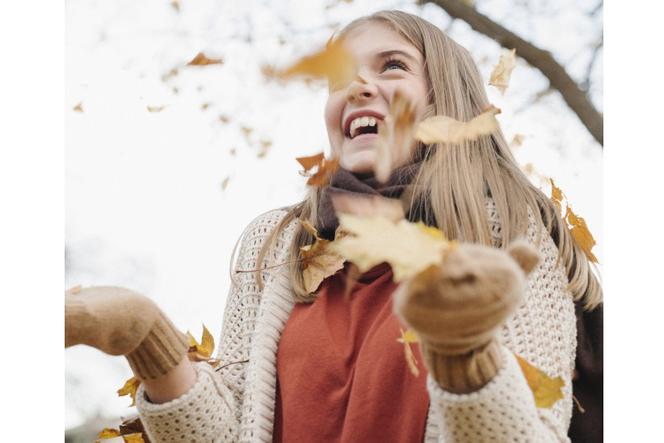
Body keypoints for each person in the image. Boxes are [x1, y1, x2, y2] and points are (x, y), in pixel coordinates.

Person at [65, 10, 603, 443]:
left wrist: (465, 355)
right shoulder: (276, 245)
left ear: (446, 99)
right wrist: (147, 336)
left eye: (392, 66)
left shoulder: (509, 231)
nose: (359, 85)